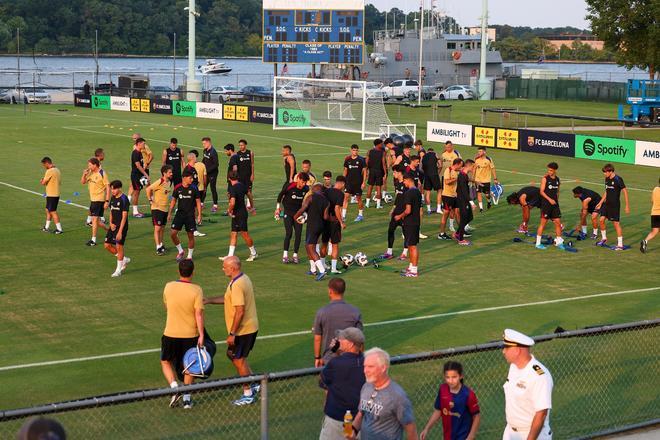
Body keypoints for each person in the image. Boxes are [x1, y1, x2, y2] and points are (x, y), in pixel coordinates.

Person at [204, 256, 260, 406]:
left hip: (243, 330)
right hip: (249, 326)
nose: (223, 269)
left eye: (225, 267)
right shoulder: (242, 278)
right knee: (233, 355)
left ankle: (248, 393)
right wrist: (209, 300)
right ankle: (253, 381)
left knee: (238, 358)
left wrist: (232, 334)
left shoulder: (237, 285)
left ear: (233, 268)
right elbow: (229, 299)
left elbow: (240, 311)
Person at [160, 259, 205, 409]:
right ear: (193, 272)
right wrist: (201, 334)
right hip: (190, 333)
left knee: (166, 361)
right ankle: (187, 398)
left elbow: (167, 307)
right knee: (189, 364)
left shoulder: (168, 286)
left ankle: (174, 387)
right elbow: (198, 314)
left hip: (170, 332)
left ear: (179, 271)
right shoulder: (197, 290)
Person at [348, 348, 417, 440]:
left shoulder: (398, 396)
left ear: (383, 368)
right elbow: (361, 413)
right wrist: (353, 430)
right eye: (365, 366)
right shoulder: (366, 386)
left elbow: (411, 430)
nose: (365, 370)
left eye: (370, 367)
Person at [502, 329, 553, 440]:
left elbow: (541, 414)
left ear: (517, 350)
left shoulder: (539, 376)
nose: (503, 351)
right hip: (510, 432)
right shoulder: (514, 367)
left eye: (506, 348)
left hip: (532, 435)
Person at [319, 327, 366, 440]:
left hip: (336, 420)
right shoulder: (368, 362)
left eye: (341, 339)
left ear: (350, 344)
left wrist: (334, 352)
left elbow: (323, 380)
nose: (338, 340)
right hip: (359, 421)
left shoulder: (335, 363)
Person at [420, 361, 481, 440]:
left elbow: (476, 416)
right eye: (447, 377)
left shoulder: (468, 394)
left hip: (464, 437)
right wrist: (427, 428)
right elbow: (438, 410)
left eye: (454, 377)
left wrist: (471, 436)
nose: (450, 381)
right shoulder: (443, 389)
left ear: (461, 376)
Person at [313, 278, 363, 367]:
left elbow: (317, 338)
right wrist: (360, 358)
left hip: (329, 360)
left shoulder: (322, 312)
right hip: (350, 359)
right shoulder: (355, 311)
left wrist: (317, 357)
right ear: (344, 291)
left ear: (330, 291)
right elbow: (359, 339)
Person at [219, 170, 258, 261]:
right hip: (241, 213)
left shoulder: (232, 188)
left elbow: (232, 203)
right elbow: (249, 195)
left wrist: (229, 211)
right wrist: (252, 207)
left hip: (239, 214)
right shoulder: (242, 185)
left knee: (244, 234)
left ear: (229, 178)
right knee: (234, 233)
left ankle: (254, 253)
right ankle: (230, 255)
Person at [294, 182, 330, 281]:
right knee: (308, 246)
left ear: (317, 189)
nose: (312, 189)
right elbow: (326, 216)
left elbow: (303, 209)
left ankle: (322, 271)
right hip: (320, 226)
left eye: (313, 188)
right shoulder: (326, 201)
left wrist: (295, 216)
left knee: (311, 248)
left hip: (312, 226)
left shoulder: (311, 197)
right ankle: (313, 269)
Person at [168, 169, 202, 262]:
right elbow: (173, 201)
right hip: (180, 214)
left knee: (190, 236)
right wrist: (170, 213)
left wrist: (199, 215)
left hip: (190, 216)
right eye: (190, 178)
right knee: (173, 233)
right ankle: (180, 251)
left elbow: (198, 202)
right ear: (184, 178)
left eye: (192, 178)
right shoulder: (178, 188)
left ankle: (189, 256)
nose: (191, 180)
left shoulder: (194, 188)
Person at [276, 172, 310, 264]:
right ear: (298, 179)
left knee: (298, 234)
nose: (303, 184)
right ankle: (285, 255)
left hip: (298, 215)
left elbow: (308, 202)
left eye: (305, 183)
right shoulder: (289, 186)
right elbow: (280, 195)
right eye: (302, 182)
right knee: (289, 233)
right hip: (288, 212)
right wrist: (278, 208)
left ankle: (295, 255)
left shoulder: (306, 189)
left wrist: (305, 213)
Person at [594, 164, 630, 250]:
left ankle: (620, 245)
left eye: (605, 172)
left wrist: (627, 205)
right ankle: (604, 239)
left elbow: (625, 191)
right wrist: (600, 202)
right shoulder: (606, 179)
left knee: (616, 224)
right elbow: (607, 191)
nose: (604, 174)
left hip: (614, 205)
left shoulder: (618, 179)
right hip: (606, 204)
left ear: (611, 171)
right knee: (601, 220)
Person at [395, 174, 422, 277]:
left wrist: (399, 216)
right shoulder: (418, 192)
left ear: (407, 180)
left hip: (410, 222)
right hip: (415, 221)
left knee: (413, 246)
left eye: (404, 182)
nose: (404, 184)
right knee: (410, 245)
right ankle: (411, 267)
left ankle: (414, 270)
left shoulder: (409, 193)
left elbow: (408, 210)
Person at [103, 180, 130, 277]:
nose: (112, 191)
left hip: (121, 226)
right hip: (113, 226)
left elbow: (124, 217)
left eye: (114, 189)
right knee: (107, 245)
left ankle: (118, 270)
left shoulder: (124, 199)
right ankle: (124, 258)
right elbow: (111, 212)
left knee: (119, 246)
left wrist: (120, 231)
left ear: (119, 188)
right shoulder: (113, 197)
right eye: (111, 189)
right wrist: (110, 223)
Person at [381, 165, 408, 260]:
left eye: (395, 172)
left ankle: (404, 253)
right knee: (390, 230)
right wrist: (393, 208)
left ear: (400, 173)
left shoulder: (407, 184)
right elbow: (398, 197)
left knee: (406, 233)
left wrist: (404, 213)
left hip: (404, 213)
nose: (394, 174)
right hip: (396, 212)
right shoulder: (397, 183)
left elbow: (408, 201)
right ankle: (389, 252)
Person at [81, 157, 109, 246]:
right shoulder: (90, 173)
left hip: (99, 199)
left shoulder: (102, 173)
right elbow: (83, 182)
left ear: (95, 165)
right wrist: (84, 175)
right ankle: (110, 231)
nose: (88, 167)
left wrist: (107, 201)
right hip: (93, 200)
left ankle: (93, 240)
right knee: (97, 221)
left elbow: (108, 187)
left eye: (90, 165)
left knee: (94, 220)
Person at [535, 162, 564, 250]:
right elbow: (541, 192)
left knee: (558, 223)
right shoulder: (545, 179)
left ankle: (559, 242)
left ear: (555, 170)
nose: (549, 172)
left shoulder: (558, 180)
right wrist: (550, 200)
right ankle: (538, 243)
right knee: (543, 224)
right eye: (548, 170)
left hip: (555, 205)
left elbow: (558, 191)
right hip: (546, 205)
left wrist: (556, 200)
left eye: (551, 170)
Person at [147, 165, 173, 255]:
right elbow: (148, 189)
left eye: (171, 172)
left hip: (165, 209)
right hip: (157, 209)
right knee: (157, 228)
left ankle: (161, 245)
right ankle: (158, 247)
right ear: (164, 173)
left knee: (162, 228)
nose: (171, 174)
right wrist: (150, 200)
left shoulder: (169, 182)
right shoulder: (160, 181)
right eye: (169, 172)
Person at [324, 176, 347, 274]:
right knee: (335, 244)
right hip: (334, 221)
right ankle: (333, 268)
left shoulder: (327, 191)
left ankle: (322, 265)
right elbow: (337, 208)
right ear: (342, 184)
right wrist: (341, 221)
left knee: (324, 243)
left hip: (325, 221)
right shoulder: (340, 194)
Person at [438, 158, 462, 240]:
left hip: (454, 196)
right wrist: (456, 179)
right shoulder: (448, 170)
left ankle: (461, 231)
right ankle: (441, 234)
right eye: (460, 165)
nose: (461, 167)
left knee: (458, 213)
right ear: (457, 164)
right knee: (446, 215)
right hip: (447, 196)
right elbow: (447, 182)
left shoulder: (456, 171)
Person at [342, 144, 367, 222]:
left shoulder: (361, 160)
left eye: (356, 150)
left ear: (358, 151)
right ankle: (343, 215)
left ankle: (360, 215)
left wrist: (363, 182)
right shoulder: (347, 159)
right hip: (348, 182)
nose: (355, 152)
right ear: (351, 150)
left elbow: (365, 172)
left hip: (358, 183)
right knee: (346, 197)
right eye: (353, 150)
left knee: (358, 199)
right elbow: (345, 170)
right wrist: (343, 180)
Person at [40, 157, 63, 234]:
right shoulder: (57, 170)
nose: (44, 166)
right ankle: (46, 227)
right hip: (55, 193)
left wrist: (42, 181)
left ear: (47, 163)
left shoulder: (49, 171)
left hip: (52, 194)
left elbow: (43, 182)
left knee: (53, 211)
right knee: (48, 210)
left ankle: (59, 229)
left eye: (44, 165)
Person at [455, 159, 475, 246]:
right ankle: (460, 239)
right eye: (473, 166)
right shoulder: (462, 176)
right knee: (464, 218)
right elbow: (464, 191)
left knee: (469, 217)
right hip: (463, 200)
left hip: (464, 199)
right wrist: (472, 202)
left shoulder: (464, 175)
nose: (473, 168)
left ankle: (458, 233)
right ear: (469, 166)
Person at [86, 148, 108, 227]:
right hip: (96, 187)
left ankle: (92, 219)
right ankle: (92, 219)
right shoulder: (95, 163)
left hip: (95, 186)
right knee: (96, 202)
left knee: (94, 204)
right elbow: (90, 172)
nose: (104, 155)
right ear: (100, 155)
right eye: (103, 154)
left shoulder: (95, 162)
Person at [129, 137, 150, 218]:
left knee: (137, 192)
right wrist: (146, 174)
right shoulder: (135, 153)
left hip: (139, 175)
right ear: (139, 144)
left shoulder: (139, 152)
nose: (144, 145)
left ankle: (136, 210)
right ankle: (135, 212)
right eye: (143, 143)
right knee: (136, 193)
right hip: (135, 176)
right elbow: (138, 166)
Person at [473, 147, 499, 212]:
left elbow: (493, 169)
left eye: (480, 151)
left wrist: (495, 179)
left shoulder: (489, 159)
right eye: (478, 151)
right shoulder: (476, 159)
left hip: (486, 180)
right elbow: (474, 169)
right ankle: (481, 208)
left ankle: (489, 201)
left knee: (487, 195)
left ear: (484, 152)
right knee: (479, 193)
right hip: (478, 180)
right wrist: (473, 178)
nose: (479, 153)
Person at [365, 138, 387, 209]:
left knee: (370, 187)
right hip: (379, 172)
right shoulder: (382, 153)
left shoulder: (369, 151)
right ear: (378, 144)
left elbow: (366, 163)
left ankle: (367, 204)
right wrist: (385, 173)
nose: (382, 145)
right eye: (381, 143)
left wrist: (367, 171)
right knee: (378, 188)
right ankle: (378, 205)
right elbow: (383, 163)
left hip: (372, 171)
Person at [640, 177, 660, 253]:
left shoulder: (655, 189)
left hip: (654, 213)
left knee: (655, 231)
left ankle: (645, 241)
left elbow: (652, 200)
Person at [236, 139, 256, 211]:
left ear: (245, 145)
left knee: (249, 190)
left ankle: (249, 204)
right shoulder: (237, 154)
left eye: (242, 145)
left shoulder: (250, 153)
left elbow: (252, 164)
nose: (240, 147)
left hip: (248, 175)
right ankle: (241, 205)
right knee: (240, 191)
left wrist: (252, 174)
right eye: (239, 145)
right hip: (240, 176)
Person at [422, 147, 442, 215]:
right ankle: (439, 209)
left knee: (428, 192)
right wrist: (437, 173)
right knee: (439, 190)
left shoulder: (424, 156)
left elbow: (422, 167)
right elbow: (440, 165)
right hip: (434, 174)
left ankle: (428, 209)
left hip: (427, 175)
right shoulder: (435, 154)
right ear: (433, 151)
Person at [224, 143, 240, 215]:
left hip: (232, 180)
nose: (225, 152)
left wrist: (232, 178)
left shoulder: (233, 157)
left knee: (230, 194)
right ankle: (232, 209)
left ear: (230, 150)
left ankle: (230, 210)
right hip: (234, 179)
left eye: (226, 151)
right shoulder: (236, 156)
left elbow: (235, 168)